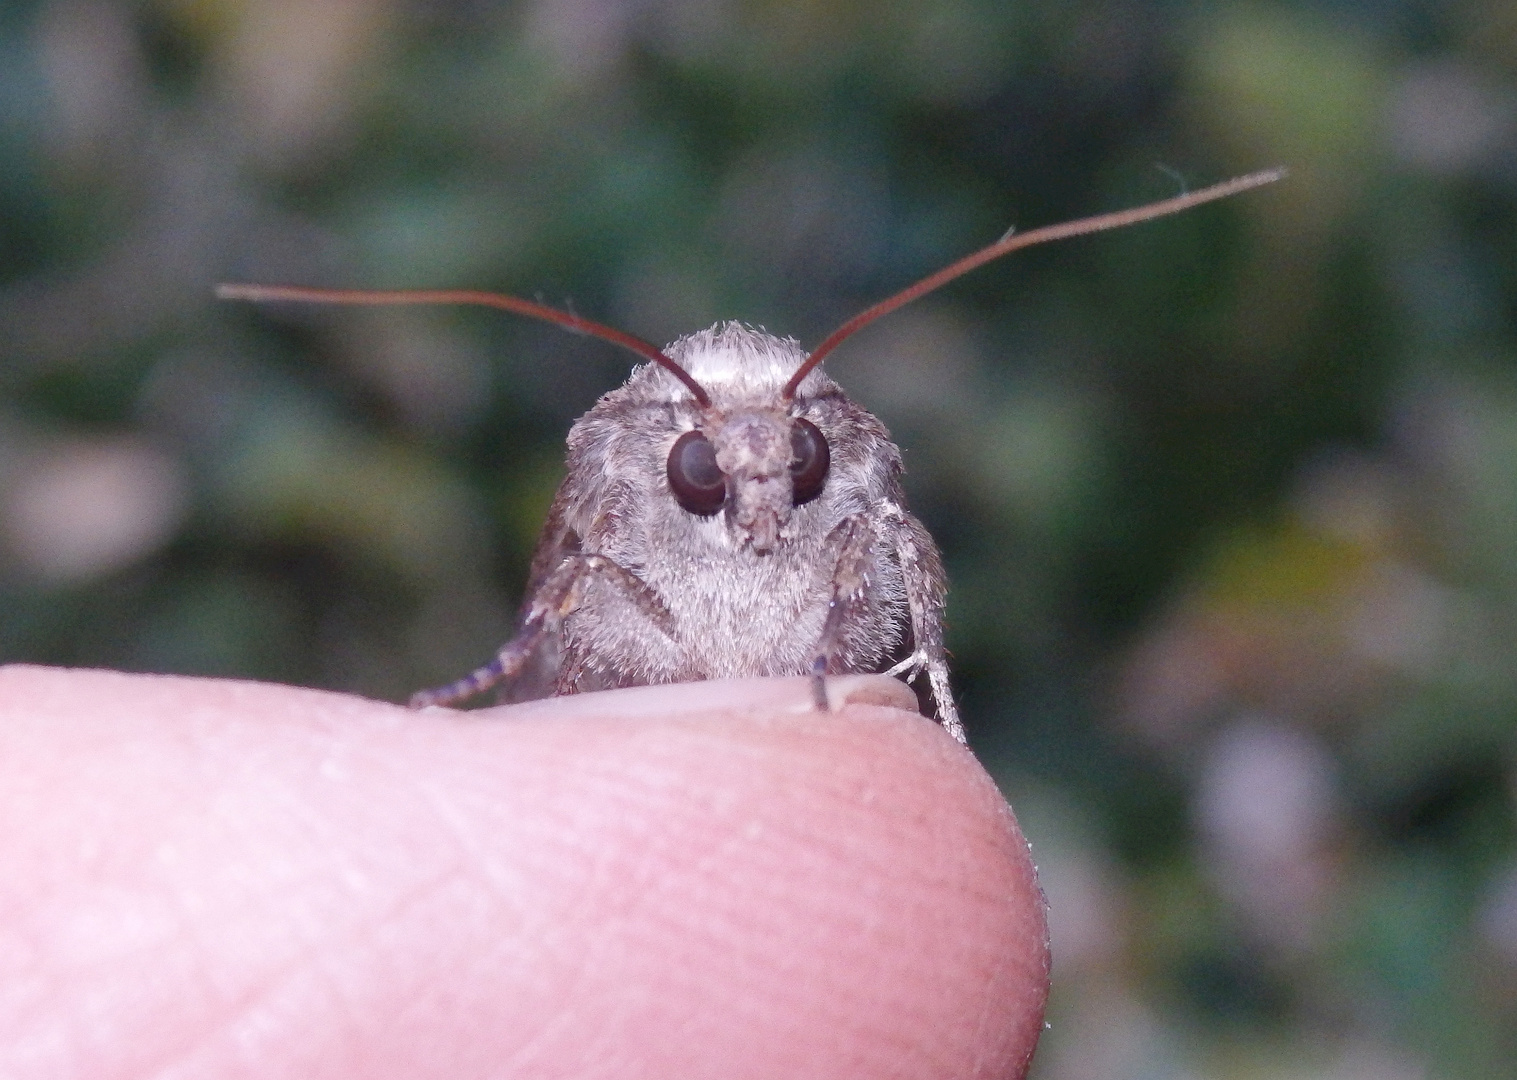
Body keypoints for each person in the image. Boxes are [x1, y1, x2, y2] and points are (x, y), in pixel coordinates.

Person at [0, 665, 1048, 1078]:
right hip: (636, 844)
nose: (761, 497)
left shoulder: (859, 499)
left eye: (798, 470)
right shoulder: (626, 464)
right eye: (707, 474)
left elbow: (897, 550)